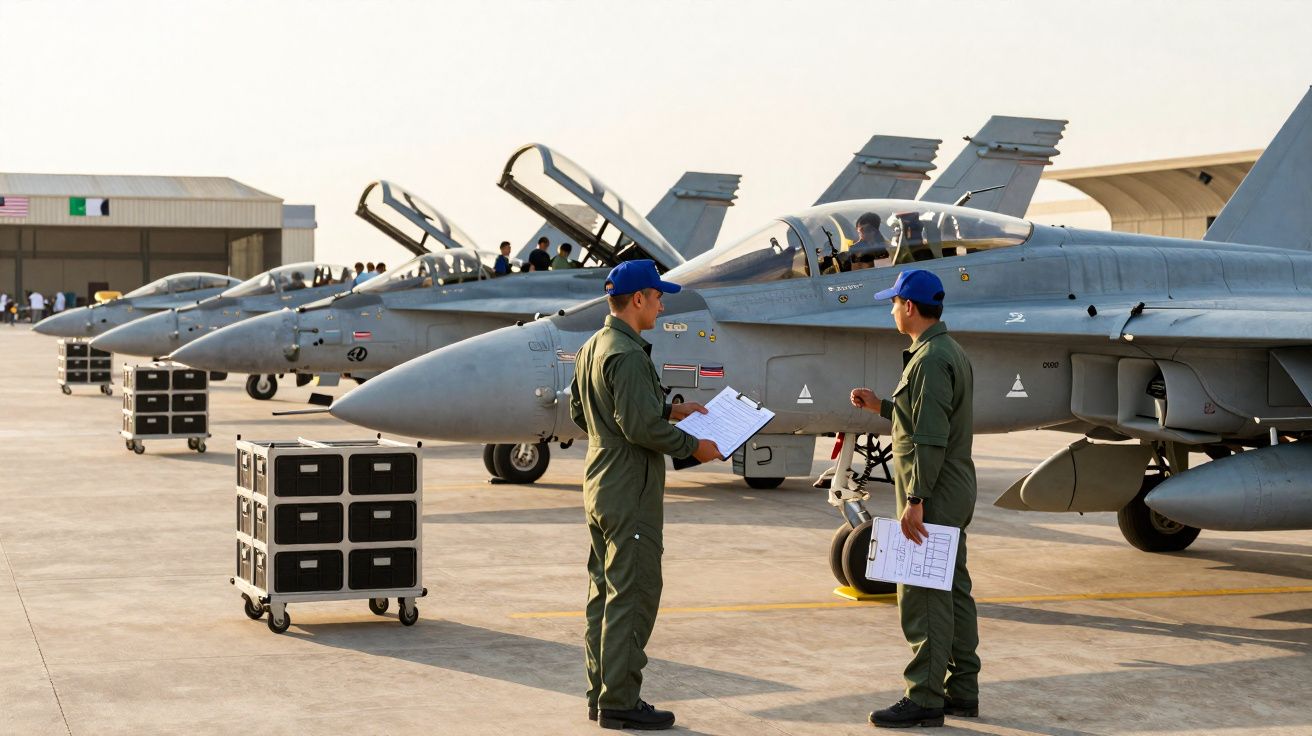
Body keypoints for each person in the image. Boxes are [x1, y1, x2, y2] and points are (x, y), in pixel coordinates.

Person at [569, 259, 722, 731]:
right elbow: (637, 427)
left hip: (600, 480)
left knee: (604, 593)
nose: (660, 303)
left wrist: (671, 410)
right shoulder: (630, 354)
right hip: (630, 486)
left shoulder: (594, 345)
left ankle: (601, 693)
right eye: (657, 296)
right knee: (632, 594)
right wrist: (693, 446)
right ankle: (621, 700)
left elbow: (582, 412)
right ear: (637, 300)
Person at [849, 269, 978, 729]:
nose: (889, 310)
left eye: (892, 302)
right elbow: (923, 418)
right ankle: (961, 689)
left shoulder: (928, 360)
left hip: (932, 493)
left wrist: (916, 499)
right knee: (952, 590)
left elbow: (929, 438)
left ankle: (924, 696)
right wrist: (881, 407)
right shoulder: (944, 352)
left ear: (907, 306)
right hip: (949, 490)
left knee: (921, 594)